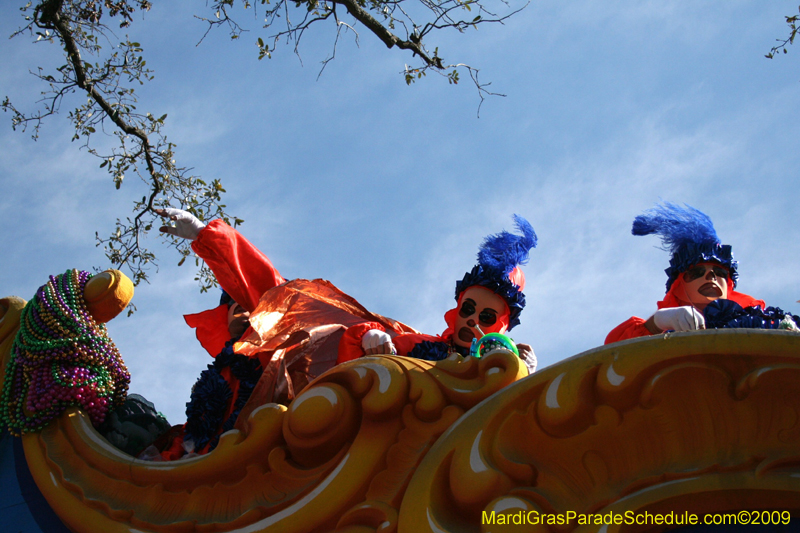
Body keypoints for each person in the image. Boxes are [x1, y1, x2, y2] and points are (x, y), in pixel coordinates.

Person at [154, 209, 538, 458]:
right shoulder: (421, 345)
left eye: (487, 316)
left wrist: (520, 372)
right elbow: (301, 305)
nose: (472, 321)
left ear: (501, 325)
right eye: (468, 309)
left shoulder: (504, 366)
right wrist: (369, 337)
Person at [605, 202, 770, 344]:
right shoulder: (659, 331)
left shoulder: (760, 322)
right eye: (697, 272)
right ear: (678, 287)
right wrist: (658, 322)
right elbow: (615, 352)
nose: (711, 276)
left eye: (719, 272)